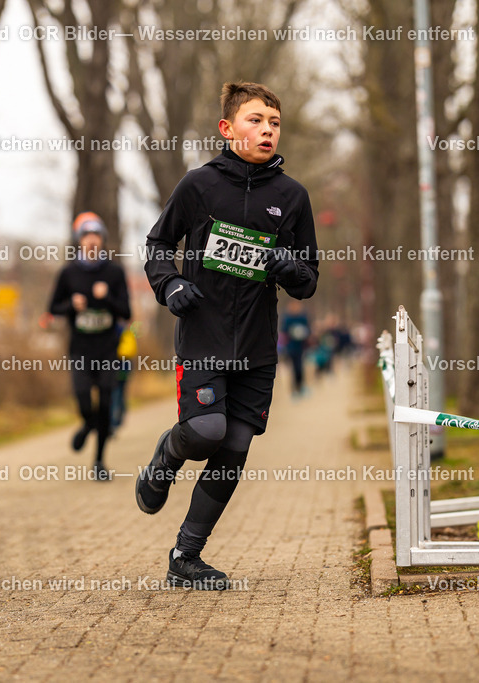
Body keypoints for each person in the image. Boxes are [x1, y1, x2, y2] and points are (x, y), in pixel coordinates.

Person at [136, 82, 319, 589]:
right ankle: (166, 456)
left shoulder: (292, 197)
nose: (267, 130)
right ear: (227, 129)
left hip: (258, 349)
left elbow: (308, 280)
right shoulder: (199, 186)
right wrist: (169, 282)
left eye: (274, 123)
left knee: (234, 445)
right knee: (205, 432)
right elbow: (156, 243)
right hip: (203, 338)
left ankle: (185, 557)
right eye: (256, 120)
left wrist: (289, 264)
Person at [48, 212, 131, 481]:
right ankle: (87, 424)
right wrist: (71, 305)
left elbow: (126, 311)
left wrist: (106, 298)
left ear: (103, 242)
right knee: (84, 400)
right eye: (86, 238)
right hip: (80, 349)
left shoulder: (114, 273)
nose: (92, 242)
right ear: (79, 242)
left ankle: (99, 461)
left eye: (96, 238)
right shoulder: (68, 273)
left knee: (106, 403)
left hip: (107, 349)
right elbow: (52, 308)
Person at [281, 300, 311, 397]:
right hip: (291, 347)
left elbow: (308, 330)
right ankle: (294, 390)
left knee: (300, 368)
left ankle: (301, 387)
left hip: (301, 347)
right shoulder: (287, 319)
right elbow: (284, 331)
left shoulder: (303, 318)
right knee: (293, 369)